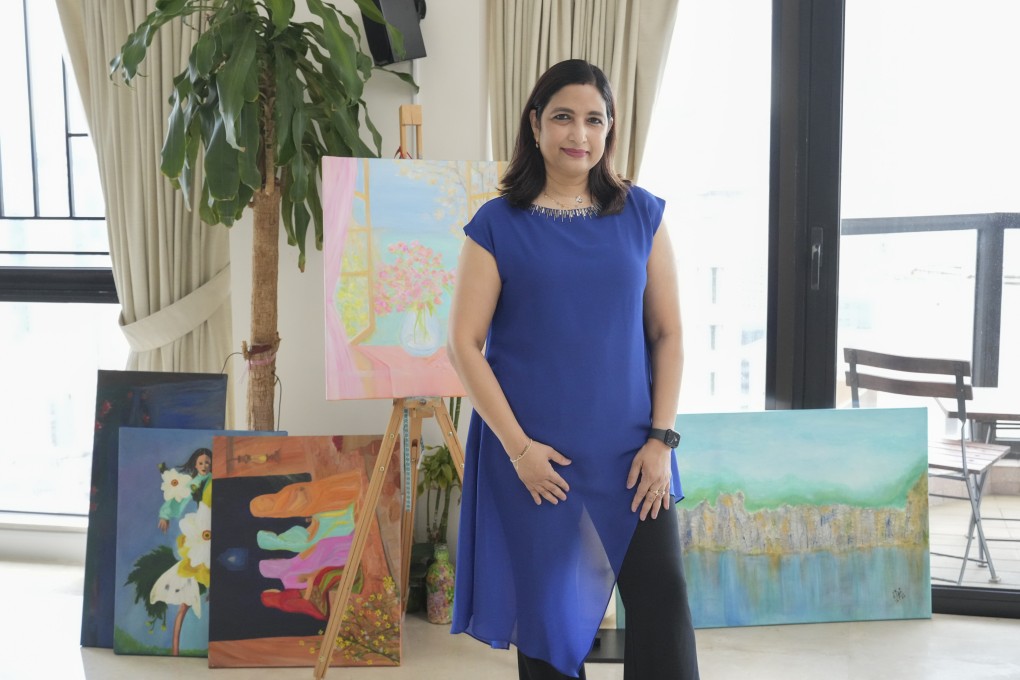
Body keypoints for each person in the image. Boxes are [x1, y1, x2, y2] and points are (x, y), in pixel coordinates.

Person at [447, 59, 700, 680]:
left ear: (610, 131)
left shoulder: (642, 214)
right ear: (536, 124)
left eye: (594, 119)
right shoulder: (495, 225)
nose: (578, 134)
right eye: (563, 117)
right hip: (540, 462)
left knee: (662, 604)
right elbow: (463, 344)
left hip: (634, 455)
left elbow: (667, 333)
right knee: (550, 628)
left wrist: (661, 440)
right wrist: (518, 450)